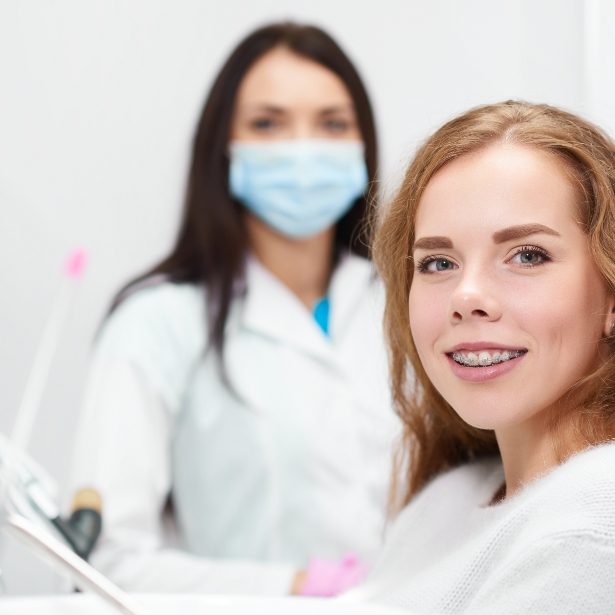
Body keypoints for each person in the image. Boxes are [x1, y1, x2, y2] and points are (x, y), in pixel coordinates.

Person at [69, 22, 399, 596]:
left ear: (362, 144)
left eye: (332, 124)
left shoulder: (408, 302)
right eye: (268, 123)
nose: (302, 148)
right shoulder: (156, 324)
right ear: (224, 145)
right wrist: (292, 587)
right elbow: (104, 562)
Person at [342, 101, 615, 612]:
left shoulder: (593, 519)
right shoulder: (448, 501)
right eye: (438, 262)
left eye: (527, 255)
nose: (466, 297)